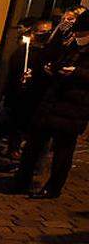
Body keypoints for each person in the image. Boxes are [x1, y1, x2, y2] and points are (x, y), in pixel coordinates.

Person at [13, 10, 89, 198]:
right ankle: (22, 180)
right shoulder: (70, 44)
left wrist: (77, 73)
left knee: (63, 151)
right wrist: (52, 68)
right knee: (33, 144)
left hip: (75, 106)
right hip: (52, 102)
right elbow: (51, 56)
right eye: (77, 32)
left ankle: (53, 187)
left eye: (82, 34)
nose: (78, 36)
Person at [0, 20, 52, 158]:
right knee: (15, 125)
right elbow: (13, 75)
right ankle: (12, 149)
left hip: (38, 99)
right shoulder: (22, 52)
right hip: (20, 98)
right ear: (34, 34)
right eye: (42, 32)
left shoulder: (49, 53)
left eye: (48, 32)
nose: (46, 34)